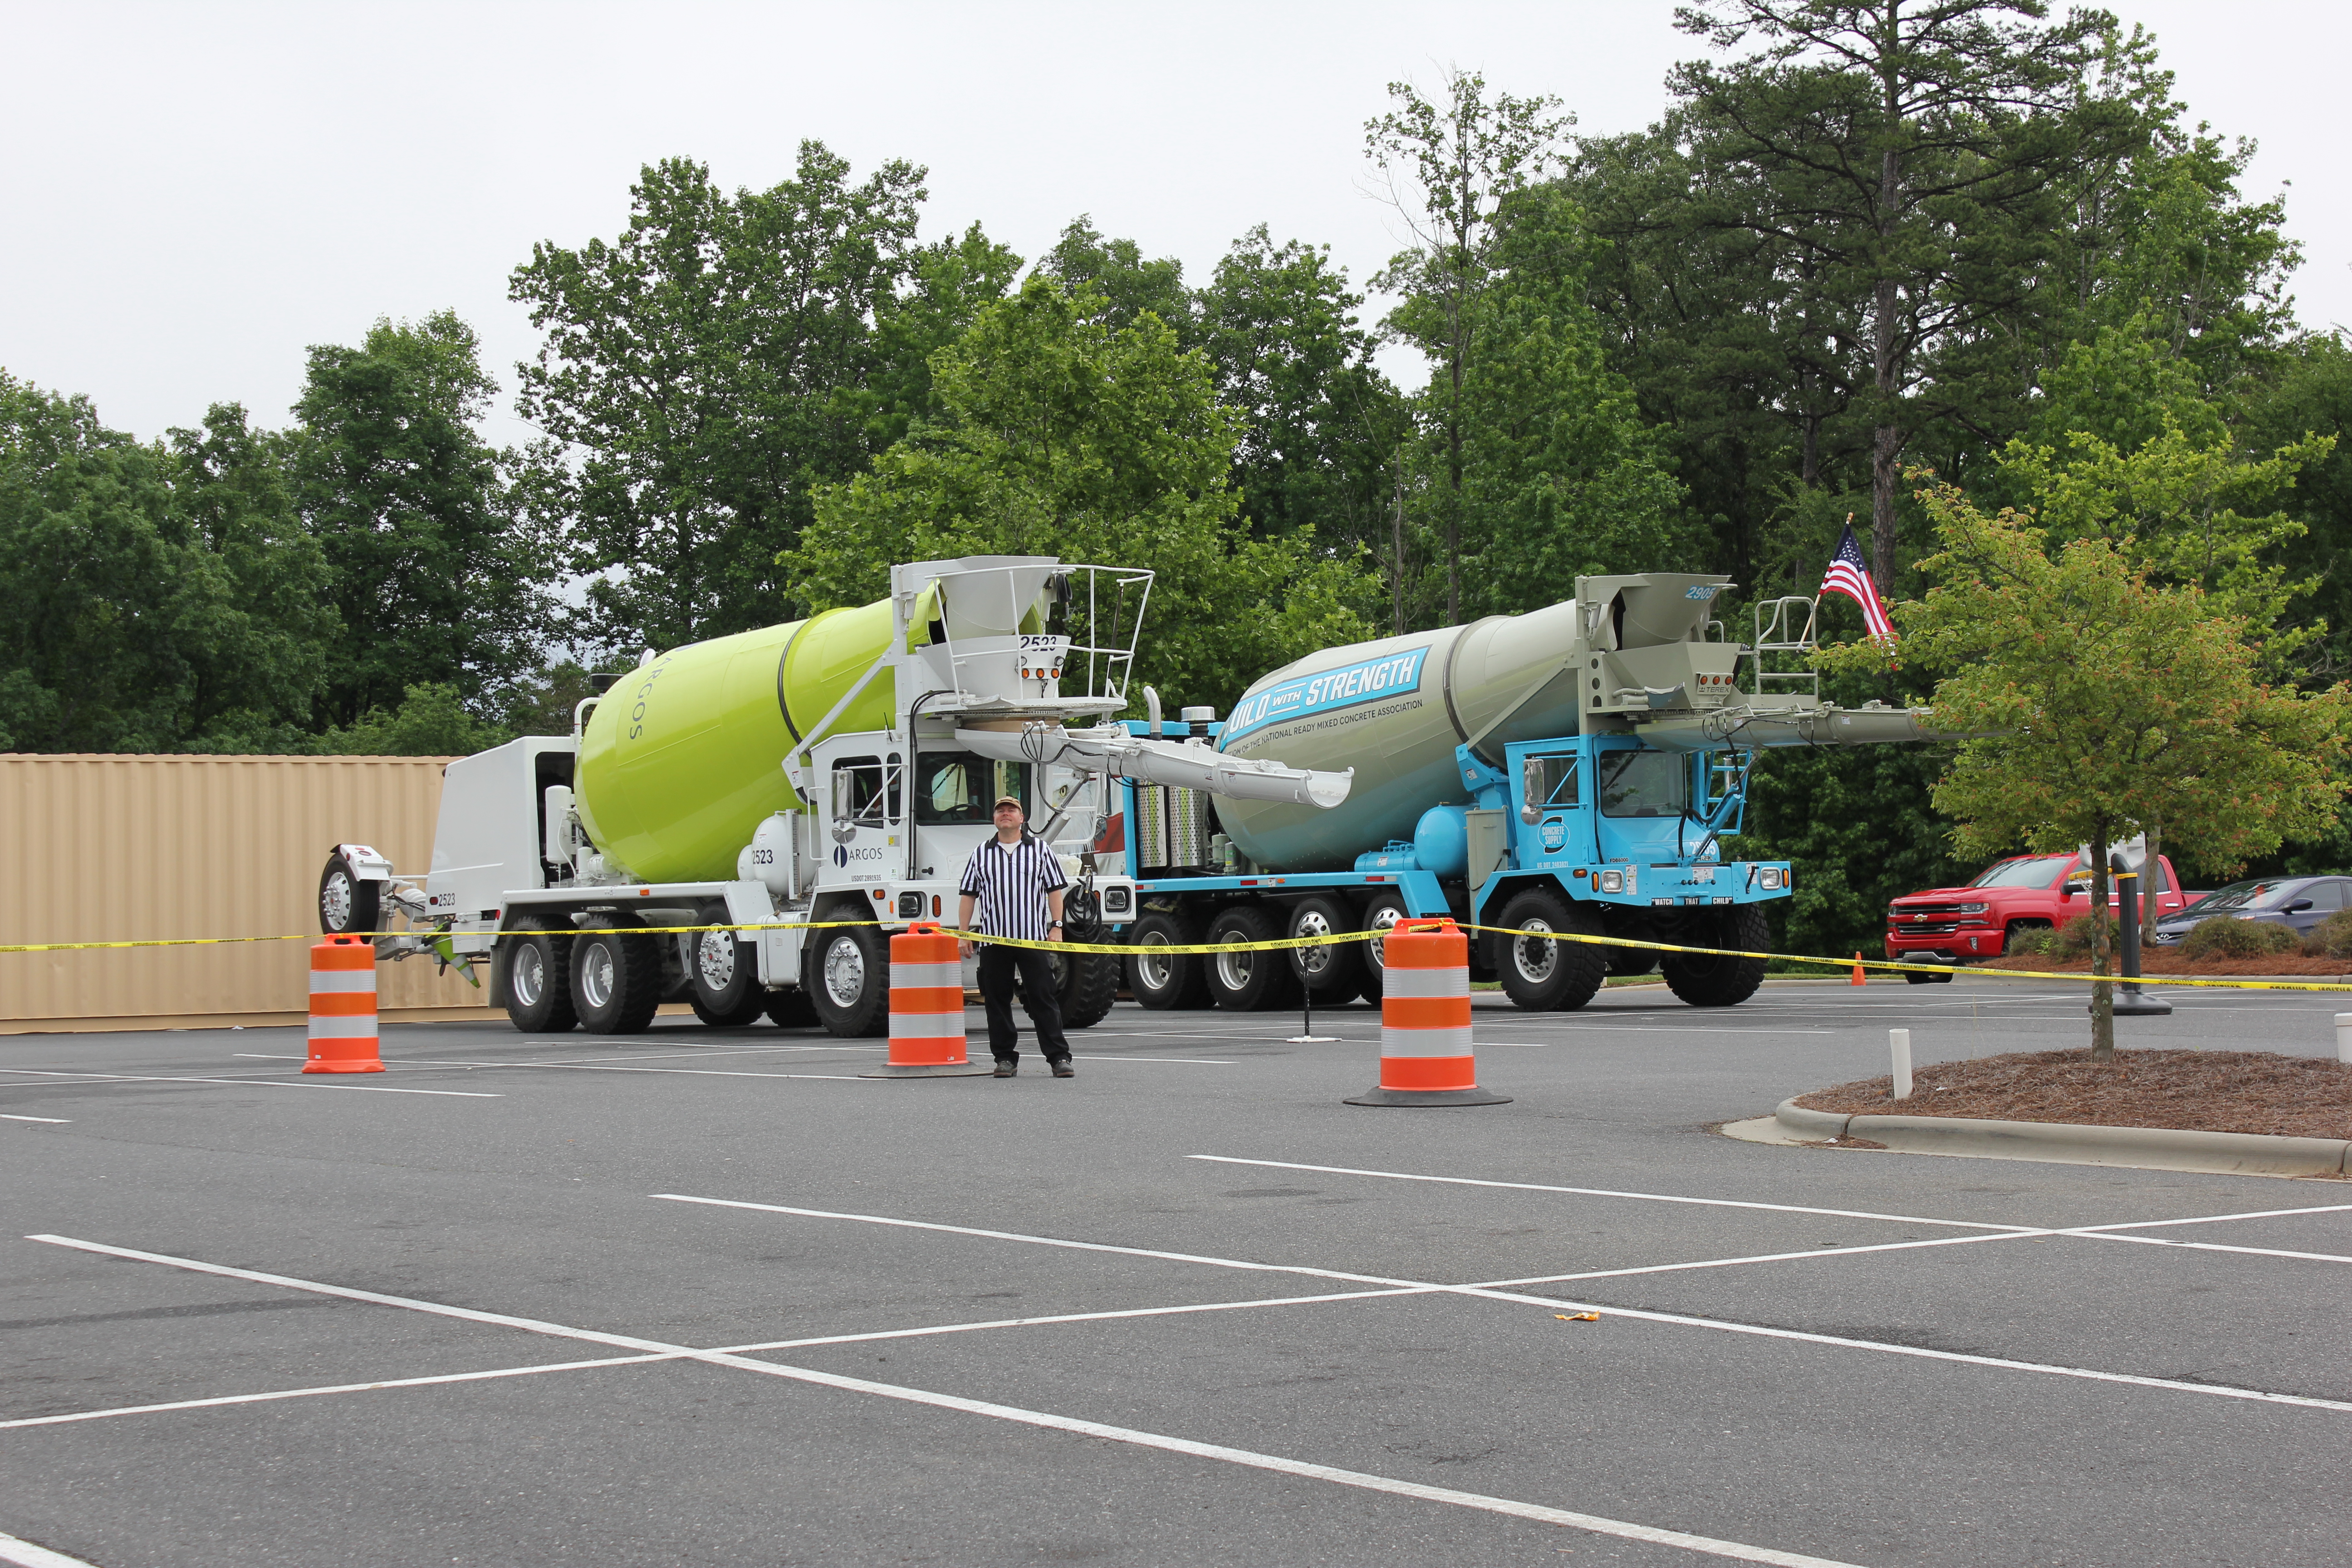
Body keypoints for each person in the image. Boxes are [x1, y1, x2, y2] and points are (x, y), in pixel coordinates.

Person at [957, 794, 1073, 1078]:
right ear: (994, 819)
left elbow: (1054, 891)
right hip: (994, 940)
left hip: (1031, 939)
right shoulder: (981, 853)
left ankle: (1058, 1058)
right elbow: (968, 895)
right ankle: (1005, 1059)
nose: (1005, 814)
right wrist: (964, 934)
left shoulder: (1041, 851)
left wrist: (1056, 926)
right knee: (996, 999)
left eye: (1012, 810)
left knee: (1043, 997)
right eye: (1000, 811)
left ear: (1022, 819)